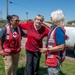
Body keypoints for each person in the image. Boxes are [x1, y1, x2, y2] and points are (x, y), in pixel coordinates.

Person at [39, 9, 66, 75]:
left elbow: (61, 47)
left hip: (55, 57)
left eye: (51, 17)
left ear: (56, 18)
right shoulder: (55, 27)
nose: (50, 18)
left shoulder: (59, 30)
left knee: (52, 72)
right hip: (52, 56)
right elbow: (50, 26)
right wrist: (43, 22)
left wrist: (47, 49)